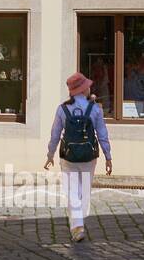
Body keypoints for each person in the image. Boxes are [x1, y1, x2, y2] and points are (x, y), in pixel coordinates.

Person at [44, 72, 113, 242]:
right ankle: (79, 222)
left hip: (68, 157)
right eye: (87, 86)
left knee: (72, 191)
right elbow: (102, 133)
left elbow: (55, 134)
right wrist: (108, 156)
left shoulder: (62, 108)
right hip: (89, 156)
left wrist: (50, 154)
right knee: (84, 191)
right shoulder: (95, 108)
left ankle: (77, 226)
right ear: (83, 89)